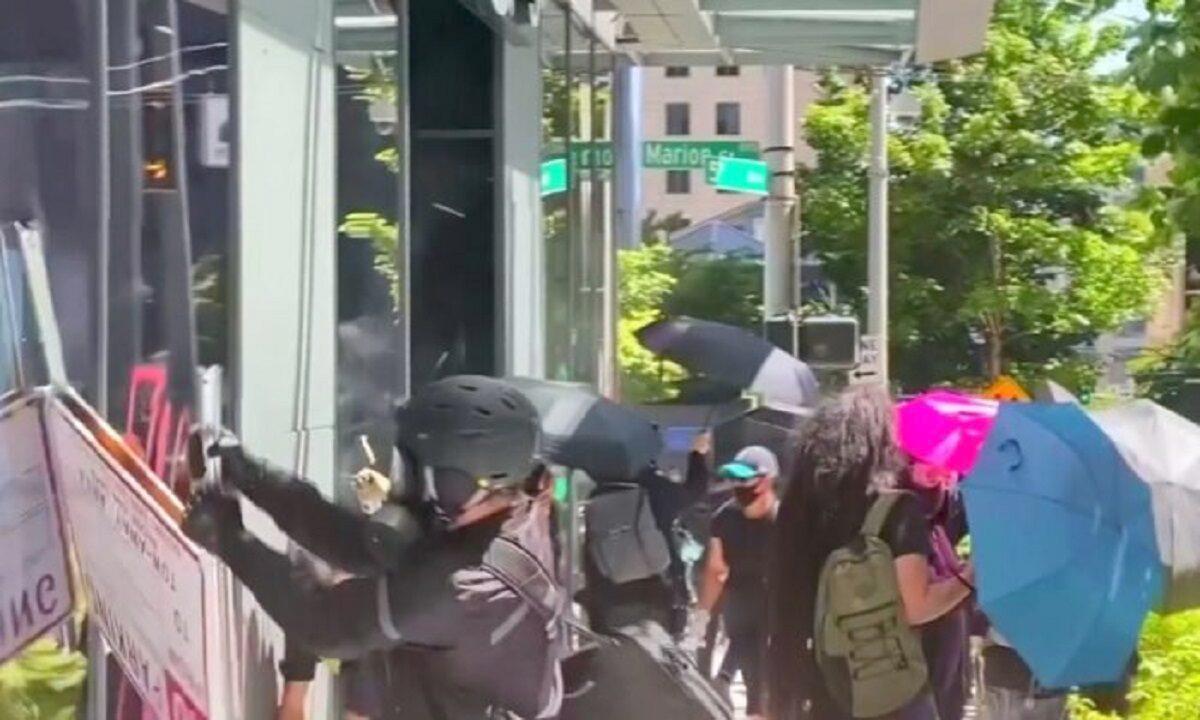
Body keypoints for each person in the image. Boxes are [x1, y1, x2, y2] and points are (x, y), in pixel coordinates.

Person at [183, 376, 564, 720]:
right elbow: (349, 541)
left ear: (456, 482)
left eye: (413, 468)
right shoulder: (504, 509)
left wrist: (229, 539)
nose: (401, 478)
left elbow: (325, 624)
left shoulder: (461, 588)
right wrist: (252, 474)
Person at [767, 386, 975, 720]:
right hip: (896, 691)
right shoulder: (896, 511)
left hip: (831, 690)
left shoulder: (807, 519)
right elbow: (917, 606)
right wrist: (970, 576)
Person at [578, 430, 712, 637]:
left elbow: (591, 555)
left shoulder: (598, 495)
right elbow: (695, 491)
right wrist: (698, 454)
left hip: (613, 601)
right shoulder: (653, 487)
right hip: (656, 596)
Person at [692, 446, 780, 720]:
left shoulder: (785, 520)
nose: (739, 487)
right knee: (760, 691)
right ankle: (734, 687)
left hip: (772, 613)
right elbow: (715, 570)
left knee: (764, 689)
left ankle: (727, 679)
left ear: (766, 480)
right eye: (735, 481)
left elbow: (716, 571)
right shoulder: (725, 519)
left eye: (745, 480)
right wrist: (701, 618)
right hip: (750, 610)